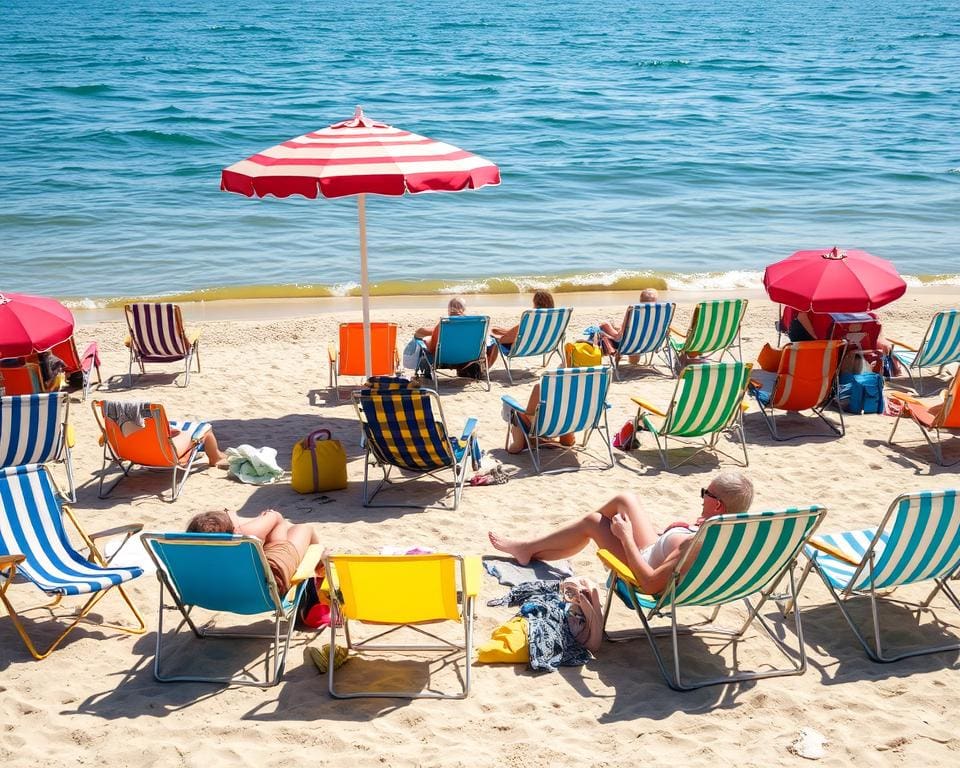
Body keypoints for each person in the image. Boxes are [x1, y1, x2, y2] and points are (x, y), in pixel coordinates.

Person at [489, 471, 754, 595]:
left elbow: (650, 584)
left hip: (641, 565)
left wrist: (625, 536)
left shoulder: (695, 544)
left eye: (705, 494)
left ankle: (528, 548)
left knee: (594, 522)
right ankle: (531, 548)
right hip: (659, 551)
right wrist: (685, 527)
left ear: (717, 504)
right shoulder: (735, 531)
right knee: (625, 498)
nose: (702, 498)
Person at [187, 509, 323, 595]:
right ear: (233, 532)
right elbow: (275, 516)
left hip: (219, 591)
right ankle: (323, 572)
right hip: (269, 586)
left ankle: (281, 545)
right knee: (304, 528)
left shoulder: (197, 561)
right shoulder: (243, 538)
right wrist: (262, 517)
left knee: (282, 533)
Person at [413, 296, 498, 373]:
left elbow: (432, 349)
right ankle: (481, 371)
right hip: (470, 360)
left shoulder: (442, 325)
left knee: (425, 342)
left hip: (444, 360)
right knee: (494, 343)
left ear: (449, 310)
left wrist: (427, 341)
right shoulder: (476, 326)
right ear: (464, 310)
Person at [596, 287, 660, 363]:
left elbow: (620, 335)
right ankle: (633, 361)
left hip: (628, 345)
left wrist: (615, 333)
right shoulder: (660, 314)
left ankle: (615, 352)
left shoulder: (633, 310)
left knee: (603, 325)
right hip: (649, 344)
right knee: (633, 335)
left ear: (640, 300)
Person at [491, 289, 556, 351]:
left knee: (493, 339)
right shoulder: (555, 319)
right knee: (495, 329)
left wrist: (497, 338)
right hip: (546, 347)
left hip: (524, 348)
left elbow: (503, 340)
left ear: (535, 303)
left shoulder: (531, 320)